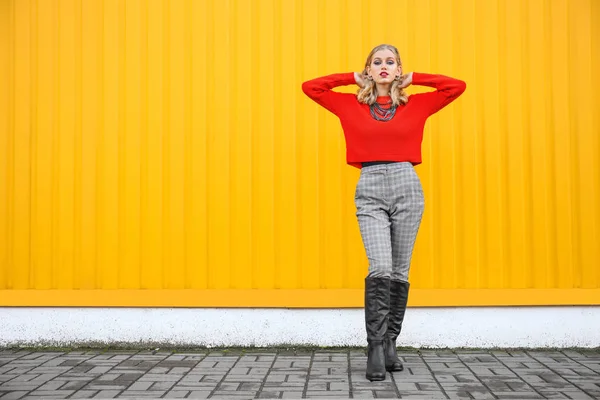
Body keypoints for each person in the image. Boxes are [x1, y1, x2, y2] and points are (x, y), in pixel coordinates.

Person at [302, 44, 466, 381]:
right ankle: (375, 347)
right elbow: (311, 88)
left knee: (400, 271)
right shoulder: (351, 104)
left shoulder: (416, 104)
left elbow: (456, 87)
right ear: (368, 70)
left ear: (398, 69)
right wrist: (349, 78)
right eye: (376, 62)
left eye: (390, 62)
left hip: (407, 184)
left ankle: (391, 342)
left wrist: (415, 79)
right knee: (380, 267)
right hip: (370, 185)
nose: (383, 67)